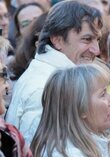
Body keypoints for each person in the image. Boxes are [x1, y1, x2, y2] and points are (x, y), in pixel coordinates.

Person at [6, 1, 102, 145]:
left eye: (98, 39)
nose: (97, 50)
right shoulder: (43, 89)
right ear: (57, 40)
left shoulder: (59, 78)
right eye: (87, 39)